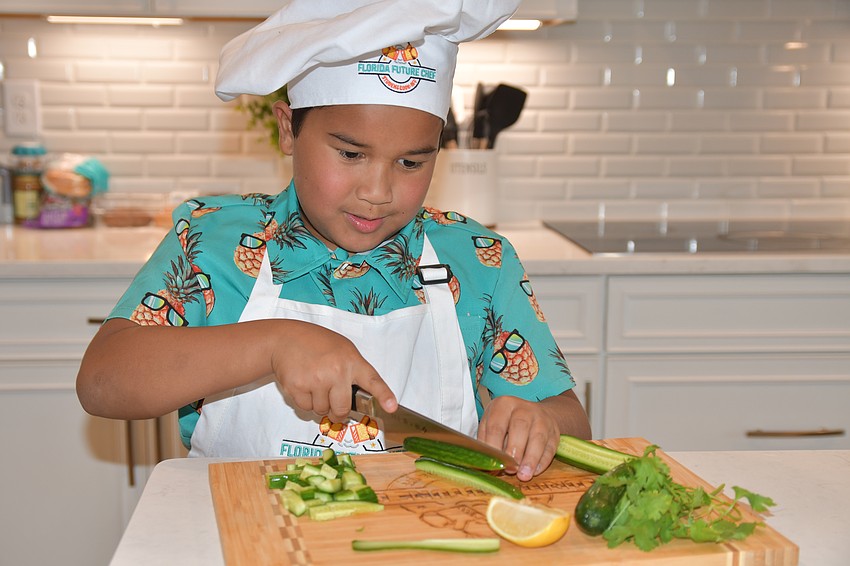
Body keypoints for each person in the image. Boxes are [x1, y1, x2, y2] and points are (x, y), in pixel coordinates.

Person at [76, 0, 591, 482]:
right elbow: (103, 381)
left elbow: (569, 417)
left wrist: (538, 422)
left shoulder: (478, 259)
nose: (377, 192)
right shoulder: (213, 244)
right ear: (287, 130)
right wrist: (273, 343)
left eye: (412, 162)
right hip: (245, 537)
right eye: (349, 155)